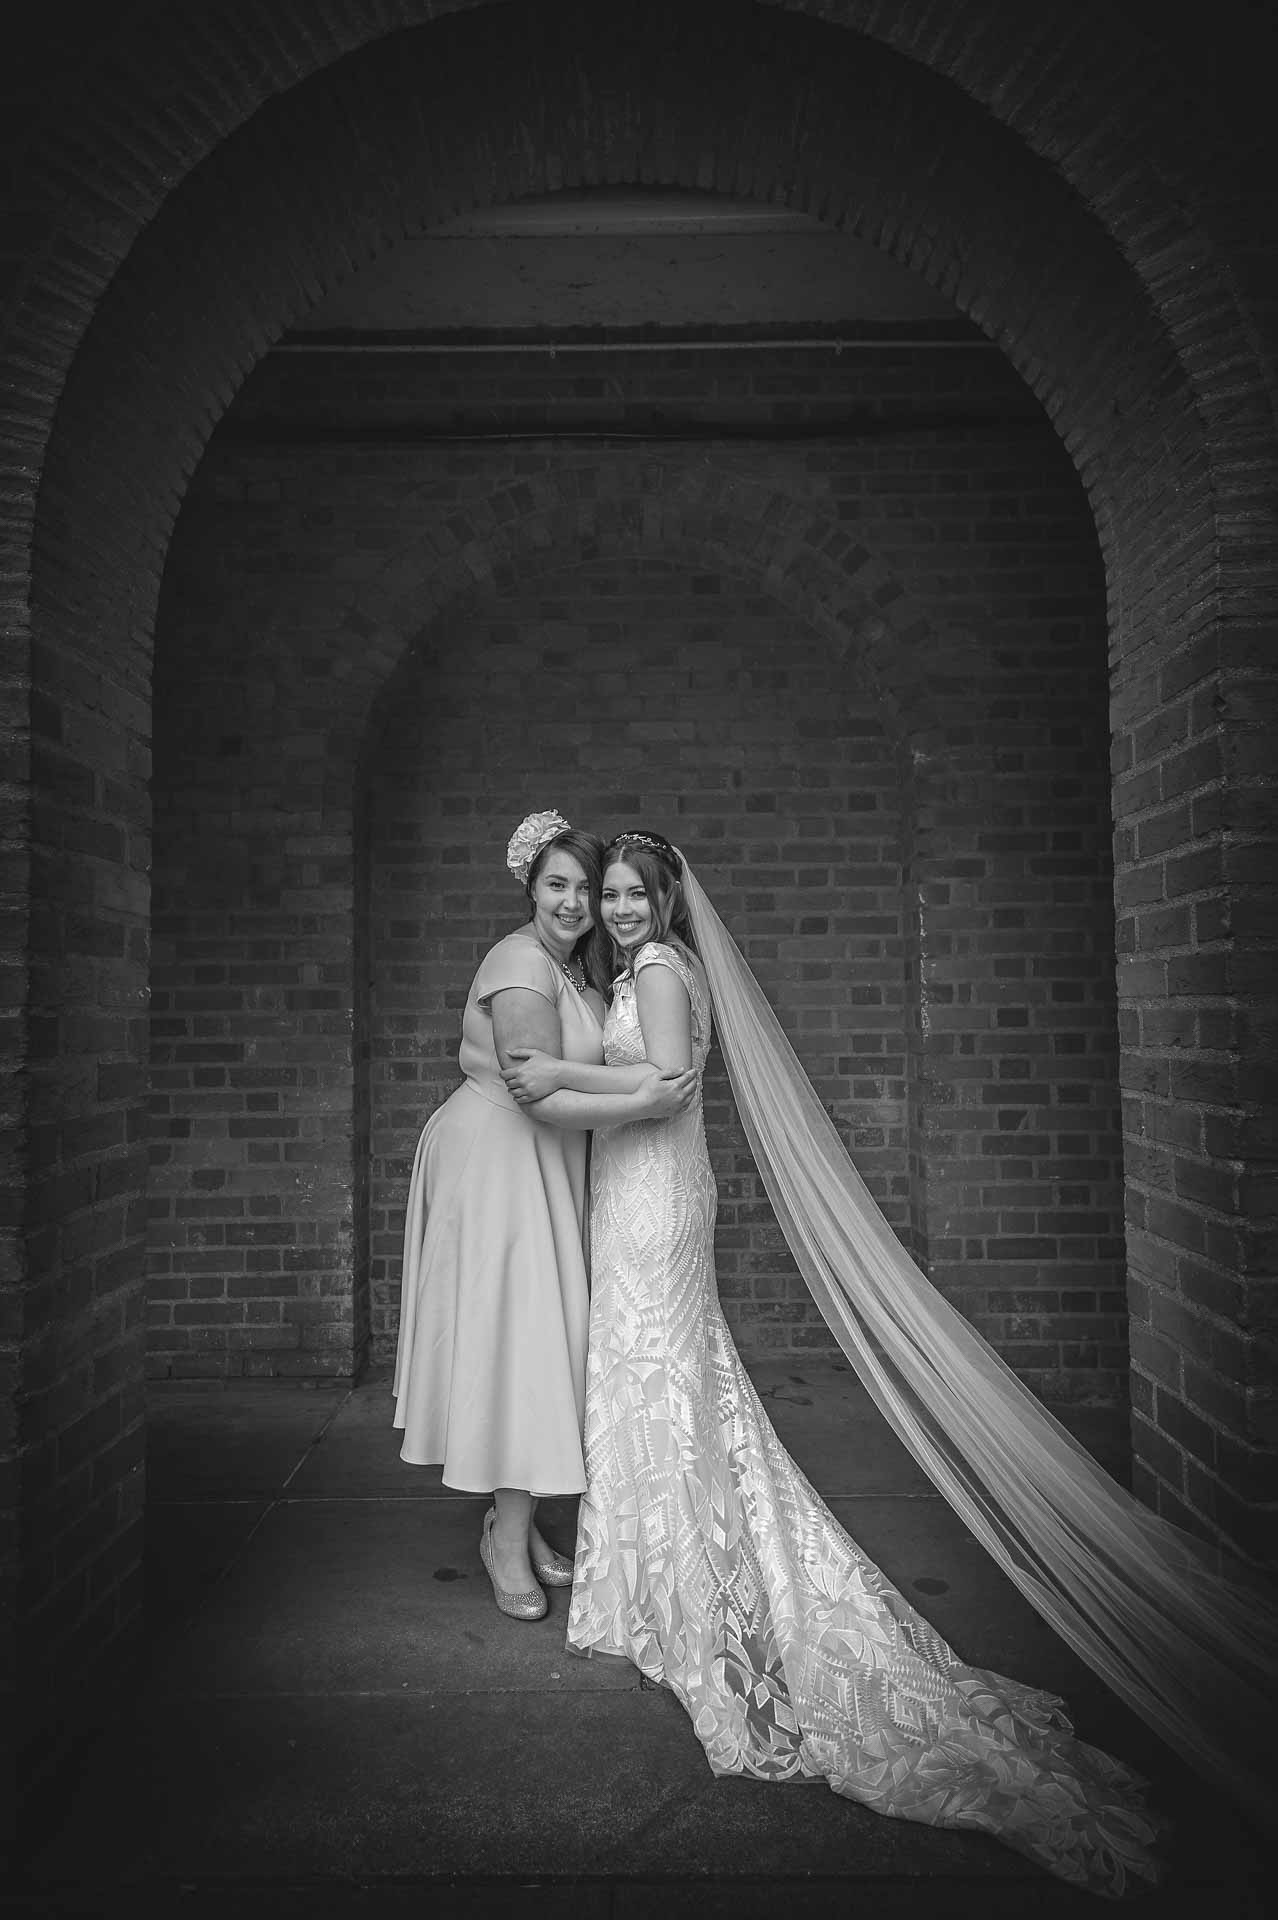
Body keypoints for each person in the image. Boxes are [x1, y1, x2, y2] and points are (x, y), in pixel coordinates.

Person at [501, 830, 1171, 1895]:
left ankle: (686, 1599)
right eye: (609, 894)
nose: (620, 909)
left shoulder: (666, 969)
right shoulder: (635, 972)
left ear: (669, 900)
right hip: (632, 1192)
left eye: (635, 893)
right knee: (645, 1386)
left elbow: (670, 1085)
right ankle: (641, 1587)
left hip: (656, 1201)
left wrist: (559, 1069)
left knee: (664, 1386)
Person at [392, 811, 696, 1622]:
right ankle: (507, 1535)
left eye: (584, 890)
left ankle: (513, 1525)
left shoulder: (576, 972)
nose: (571, 904)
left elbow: (566, 1076)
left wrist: (644, 1088)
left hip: (545, 1163)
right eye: (554, 885)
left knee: (534, 1343)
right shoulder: (521, 962)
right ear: (530, 888)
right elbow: (533, 1084)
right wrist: (647, 1096)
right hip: (499, 1161)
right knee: (519, 1344)